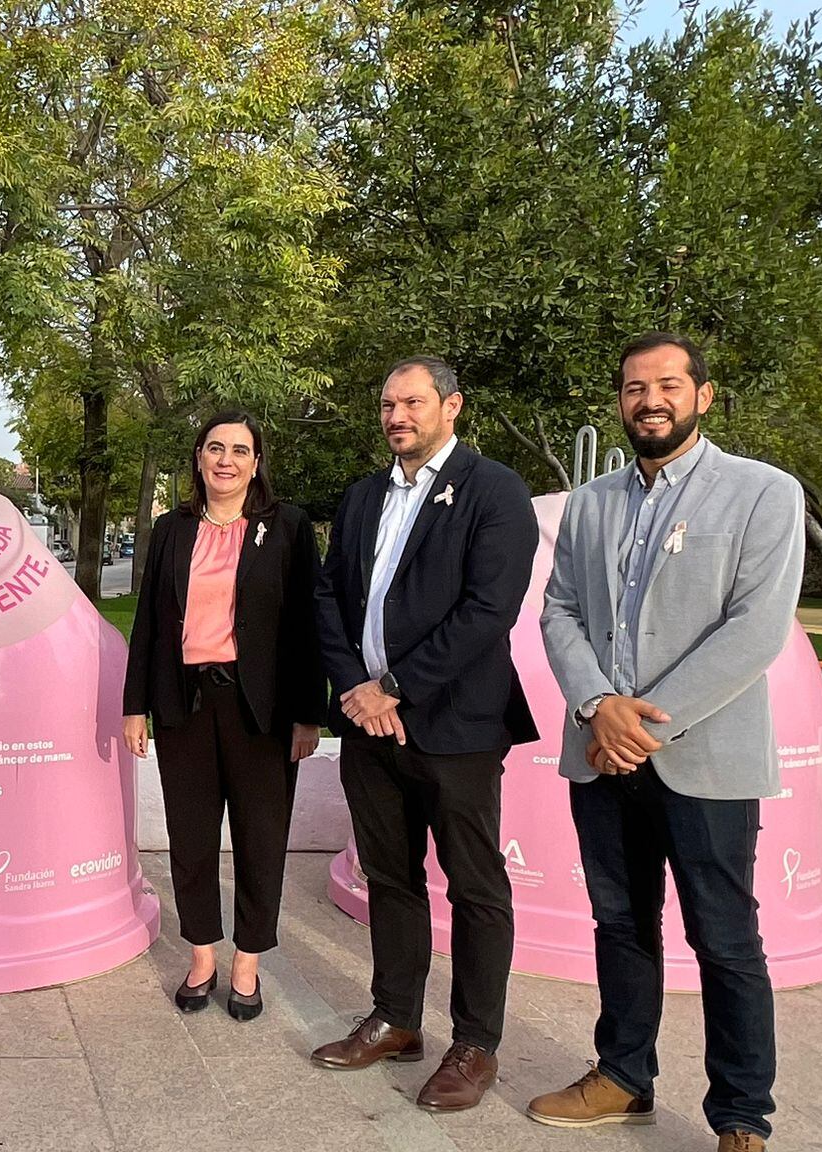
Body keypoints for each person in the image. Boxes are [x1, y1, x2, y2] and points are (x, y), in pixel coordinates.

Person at [532, 333, 802, 1152]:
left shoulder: (762, 493)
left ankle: (742, 1117)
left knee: (724, 938)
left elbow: (755, 630)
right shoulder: (591, 500)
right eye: (634, 388)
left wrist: (643, 725)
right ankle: (622, 1076)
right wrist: (595, 706)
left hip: (705, 760)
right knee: (620, 923)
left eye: (669, 385)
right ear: (618, 401)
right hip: (599, 754)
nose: (650, 400)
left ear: (704, 396)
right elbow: (559, 611)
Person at [310, 356, 538, 1112]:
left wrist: (395, 687)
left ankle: (475, 1045)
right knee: (391, 878)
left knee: (475, 889)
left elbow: (488, 611)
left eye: (411, 401)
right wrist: (355, 688)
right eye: (386, 404)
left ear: (452, 406)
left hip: (456, 727)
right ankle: (396, 1020)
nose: (396, 415)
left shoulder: (494, 490)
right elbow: (329, 600)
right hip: (368, 726)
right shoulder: (363, 495)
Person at [122, 411, 322, 1022]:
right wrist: (136, 705)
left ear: (256, 463)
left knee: (261, 838)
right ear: (199, 459)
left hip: (259, 711)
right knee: (191, 837)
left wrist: (309, 715)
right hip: (185, 706)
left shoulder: (286, 528)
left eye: (240, 449)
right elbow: (150, 624)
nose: (226, 459)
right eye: (215, 448)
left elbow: (306, 628)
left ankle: (248, 962)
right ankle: (203, 955)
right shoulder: (171, 530)